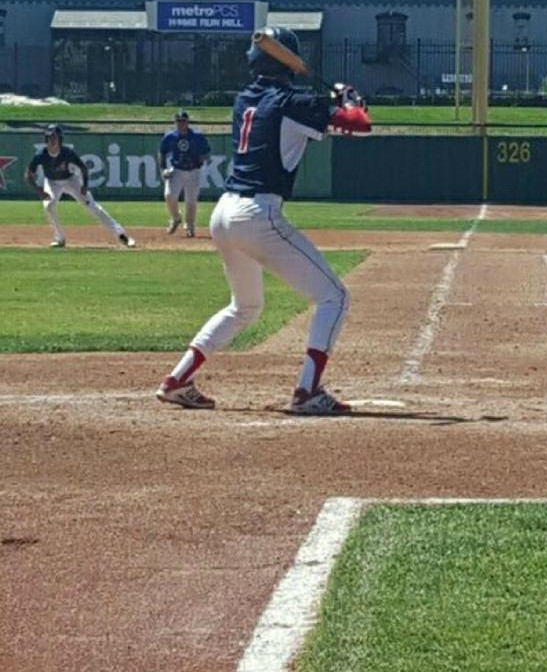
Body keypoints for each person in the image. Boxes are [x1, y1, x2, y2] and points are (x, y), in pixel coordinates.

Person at [155, 26, 371, 414]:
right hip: (258, 212)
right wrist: (349, 99)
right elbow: (359, 125)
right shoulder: (294, 100)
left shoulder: (246, 98)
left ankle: (178, 379)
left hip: (223, 212)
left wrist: (328, 102)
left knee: (244, 307)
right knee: (333, 297)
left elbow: (297, 108)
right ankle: (307, 392)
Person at [25, 124, 136, 249]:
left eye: (54, 137)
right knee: (48, 205)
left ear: (60, 139)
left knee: (92, 206)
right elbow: (28, 175)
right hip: (52, 182)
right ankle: (59, 238)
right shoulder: (41, 155)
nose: (52, 140)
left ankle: (121, 234)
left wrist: (84, 185)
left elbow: (83, 168)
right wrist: (39, 190)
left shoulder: (67, 153)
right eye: (49, 137)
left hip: (70, 180)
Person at [158, 110, 212, 237]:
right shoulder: (170, 136)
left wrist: (200, 159)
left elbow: (206, 152)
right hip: (176, 169)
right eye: (178, 121)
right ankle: (176, 218)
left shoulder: (197, 136)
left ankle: (189, 226)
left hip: (193, 170)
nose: (181, 124)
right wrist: (163, 168)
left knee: (191, 200)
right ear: (175, 122)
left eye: (183, 121)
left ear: (187, 122)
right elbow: (162, 152)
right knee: (169, 195)